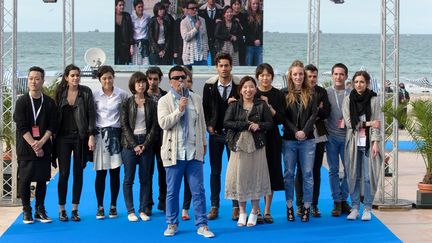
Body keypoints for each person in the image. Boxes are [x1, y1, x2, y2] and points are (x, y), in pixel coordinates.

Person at [158, 66, 214, 238]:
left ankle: (202, 224)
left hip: (193, 152)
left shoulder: (196, 99)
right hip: (173, 152)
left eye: (183, 77)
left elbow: (202, 123)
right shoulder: (165, 101)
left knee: (198, 190)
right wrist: (179, 110)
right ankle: (172, 223)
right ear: (170, 81)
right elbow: (164, 123)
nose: (180, 80)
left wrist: (204, 144)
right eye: (175, 78)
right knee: (172, 191)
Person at [224, 76, 273, 227]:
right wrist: (245, 125)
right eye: (245, 87)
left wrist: (259, 126)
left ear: (255, 89)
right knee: (240, 177)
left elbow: (270, 124)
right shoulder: (234, 105)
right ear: (240, 90)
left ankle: (254, 211)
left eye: (251, 87)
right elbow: (226, 122)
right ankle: (242, 211)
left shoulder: (261, 105)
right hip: (238, 146)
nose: (248, 90)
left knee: (256, 177)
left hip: (256, 146)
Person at [14, 66, 57, 224]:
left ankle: (40, 209)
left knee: (42, 179)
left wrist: (42, 143)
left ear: (43, 81)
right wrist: (34, 145)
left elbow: (53, 125)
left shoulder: (50, 103)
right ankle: (26, 210)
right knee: (25, 179)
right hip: (26, 147)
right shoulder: (22, 101)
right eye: (31, 78)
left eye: (37, 78)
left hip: (44, 146)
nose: (33, 81)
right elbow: (21, 126)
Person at [54, 64, 96, 222]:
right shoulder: (60, 92)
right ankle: (62, 209)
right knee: (63, 173)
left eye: (77, 75)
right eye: (72, 75)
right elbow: (54, 114)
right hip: (62, 139)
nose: (75, 78)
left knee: (78, 173)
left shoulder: (86, 92)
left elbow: (91, 114)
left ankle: (75, 209)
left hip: (80, 137)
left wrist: (91, 135)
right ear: (66, 77)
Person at [203, 52, 240, 220]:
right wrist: (209, 125)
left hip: (233, 135)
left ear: (231, 66)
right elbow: (205, 108)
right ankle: (214, 206)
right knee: (215, 171)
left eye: (226, 65)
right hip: (215, 134)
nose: (224, 68)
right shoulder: (208, 86)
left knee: (234, 171)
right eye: (221, 65)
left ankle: (236, 206)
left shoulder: (239, 86)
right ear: (216, 67)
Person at [342, 71, 382, 221]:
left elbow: (378, 123)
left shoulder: (374, 100)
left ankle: (367, 208)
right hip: (353, 142)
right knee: (353, 176)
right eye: (356, 82)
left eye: (362, 82)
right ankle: (354, 208)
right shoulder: (348, 100)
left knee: (368, 177)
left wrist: (376, 143)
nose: (359, 85)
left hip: (369, 143)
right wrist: (369, 123)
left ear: (367, 83)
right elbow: (349, 124)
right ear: (353, 83)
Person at [281, 60, 317, 223]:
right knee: (289, 174)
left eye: (301, 74)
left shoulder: (311, 94)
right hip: (289, 140)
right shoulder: (283, 94)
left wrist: (304, 131)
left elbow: (313, 115)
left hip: (308, 140)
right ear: (290, 75)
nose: (298, 77)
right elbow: (283, 117)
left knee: (308, 174)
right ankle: (289, 206)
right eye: (295, 74)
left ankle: (306, 207)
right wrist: (296, 131)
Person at [121, 71, 159, 222]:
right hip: (129, 144)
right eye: (138, 82)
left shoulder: (152, 104)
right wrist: (134, 145)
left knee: (145, 178)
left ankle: (143, 209)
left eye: (143, 82)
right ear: (133, 85)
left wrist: (145, 144)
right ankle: (130, 211)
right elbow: (124, 125)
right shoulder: (126, 103)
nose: (141, 85)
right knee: (128, 178)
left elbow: (155, 127)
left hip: (146, 143)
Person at [295, 64, 331, 217]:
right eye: (309, 76)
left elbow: (326, 112)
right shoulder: (298, 91)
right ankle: (299, 204)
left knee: (315, 170)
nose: (312, 79)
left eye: (314, 76)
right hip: (301, 135)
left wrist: (315, 111)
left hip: (318, 136)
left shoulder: (321, 91)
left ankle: (314, 204)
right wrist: (315, 110)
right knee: (301, 171)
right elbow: (297, 113)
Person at [92, 65, 128, 219]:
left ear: (114, 77)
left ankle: (113, 205)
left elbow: (126, 116)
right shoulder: (94, 95)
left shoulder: (122, 94)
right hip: (100, 135)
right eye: (104, 78)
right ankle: (100, 206)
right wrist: (90, 135)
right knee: (100, 173)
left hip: (116, 135)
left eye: (110, 77)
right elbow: (91, 117)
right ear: (100, 79)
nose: (107, 80)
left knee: (115, 172)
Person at [255, 63, 285, 224]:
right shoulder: (252, 92)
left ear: (272, 77)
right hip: (256, 137)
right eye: (262, 75)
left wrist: (268, 105)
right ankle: (257, 210)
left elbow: (281, 119)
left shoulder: (278, 94)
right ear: (257, 77)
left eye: (268, 75)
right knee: (257, 172)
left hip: (273, 138)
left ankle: (267, 210)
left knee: (271, 172)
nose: (265, 78)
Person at [325, 63, 352, 216]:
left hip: (348, 138)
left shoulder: (352, 93)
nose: (338, 77)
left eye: (341, 74)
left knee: (350, 171)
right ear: (332, 76)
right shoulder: (327, 92)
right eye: (336, 74)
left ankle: (343, 200)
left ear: (346, 76)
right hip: (331, 138)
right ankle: (336, 202)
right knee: (333, 170)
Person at [145, 67, 167, 214]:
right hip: (146, 139)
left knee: (163, 172)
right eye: (150, 79)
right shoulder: (141, 96)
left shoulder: (166, 96)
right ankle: (147, 203)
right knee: (147, 172)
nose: (152, 82)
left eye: (155, 79)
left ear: (160, 80)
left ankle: (163, 201)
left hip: (164, 139)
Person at [181, 0, 209, 66]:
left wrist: (207, 49)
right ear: (187, 10)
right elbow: (186, 37)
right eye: (192, 8)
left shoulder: (202, 20)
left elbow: (205, 36)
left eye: (196, 8)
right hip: (190, 56)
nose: (195, 10)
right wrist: (196, 28)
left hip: (202, 56)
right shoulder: (184, 22)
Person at [198, 0, 223, 65]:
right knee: (203, 61)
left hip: (216, 40)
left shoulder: (221, 11)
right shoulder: (200, 11)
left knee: (216, 62)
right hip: (204, 39)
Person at [131, 0, 151, 65]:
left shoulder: (147, 16)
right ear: (135, 8)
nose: (141, 9)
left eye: (142, 7)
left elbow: (150, 28)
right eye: (139, 7)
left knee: (146, 62)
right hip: (135, 42)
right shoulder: (131, 17)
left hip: (145, 42)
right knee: (136, 61)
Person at [114, 0, 134, 65]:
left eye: (123, 5)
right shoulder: (112, 16)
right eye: (120, 5)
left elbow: (131, 30)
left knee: (122, 63)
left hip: (124, 45)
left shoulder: (127, 16)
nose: (122, 7)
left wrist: (131, 45)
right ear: (115, 6)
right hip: (115, 44)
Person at [244, 0, 263, 66]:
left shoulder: (262, 15)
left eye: (257, 3)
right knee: (248, 66)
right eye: (253, 3)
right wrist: (253, 40)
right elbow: (245, 31)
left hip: (260, 45)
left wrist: (259, 40)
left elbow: (262, 30)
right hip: (249, 45)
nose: (255, 5)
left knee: (259, 67)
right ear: (250, 4)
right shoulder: (245, 15)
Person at [231, 0, 247, 66]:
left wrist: (239, 22)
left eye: (238, 4)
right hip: (231, 43)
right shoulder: (229, 15)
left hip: (241, 42)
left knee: (241, 62)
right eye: (235, 4)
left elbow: (245, 30)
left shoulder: (243, 16)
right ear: (232, 5)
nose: (236, 6)